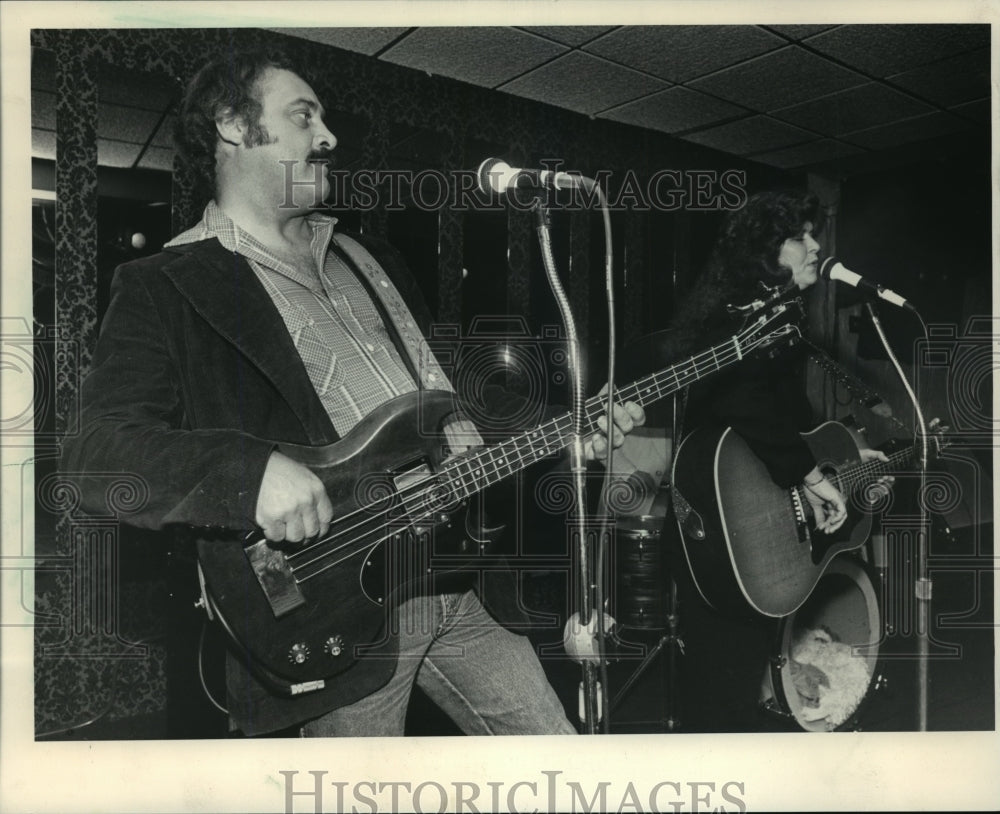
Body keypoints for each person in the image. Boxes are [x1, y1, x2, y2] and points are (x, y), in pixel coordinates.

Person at [60, 48, 644, 738]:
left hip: (456, 573)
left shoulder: (370, 259)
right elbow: (97, 458)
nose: (329, 136)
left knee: (558, 762)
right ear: (233, 126)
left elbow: (444, 401)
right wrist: (248, 474)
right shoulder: (165, 284)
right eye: (303, 117)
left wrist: (563, 426)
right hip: (331, 603)